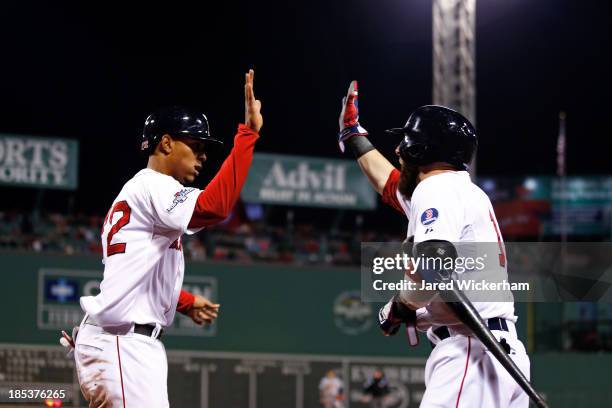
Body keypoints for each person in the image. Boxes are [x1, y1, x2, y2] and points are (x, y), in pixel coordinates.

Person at [69, 69, 262, 407]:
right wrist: (247, 135)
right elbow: (215, 207)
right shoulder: (154, 185)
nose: (202, 156)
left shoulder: (135, 193)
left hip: (119, 343)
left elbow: (134, 273)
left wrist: (184, 301)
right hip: (122, 343)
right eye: (196, 145)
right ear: (166, 142)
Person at [337, 81, 530, 407]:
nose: (398, 151)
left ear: (419, 150)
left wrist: (399, 306)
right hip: (499, 354)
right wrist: (352, 133)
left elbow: (433, 269)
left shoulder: (436, 190)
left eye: (405, 143)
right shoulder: (454, 191)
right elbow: (387, 182)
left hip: (470, 350)